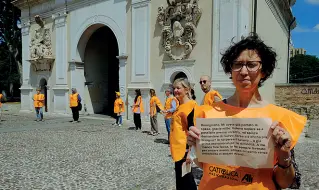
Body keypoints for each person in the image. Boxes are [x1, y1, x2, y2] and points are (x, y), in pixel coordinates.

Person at [187, 34, 307, 190]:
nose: (243, 71)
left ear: (263, 71)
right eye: (237, 64)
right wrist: (195, 146)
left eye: (251, 64)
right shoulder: (207, 113)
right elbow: (205, 167)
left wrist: (284, 155)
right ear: (230, 70)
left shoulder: (281, 118)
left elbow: (285, 183)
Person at [170, 78, 202, 190]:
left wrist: (190, 153)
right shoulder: (179, 106)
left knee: (187, 181)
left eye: (178, 88)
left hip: (184, 150)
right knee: (181, 180)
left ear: (187, 89)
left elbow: (193, 130)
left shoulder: (191, 106)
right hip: (177, 149)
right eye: (174, 88)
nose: (175, 90)